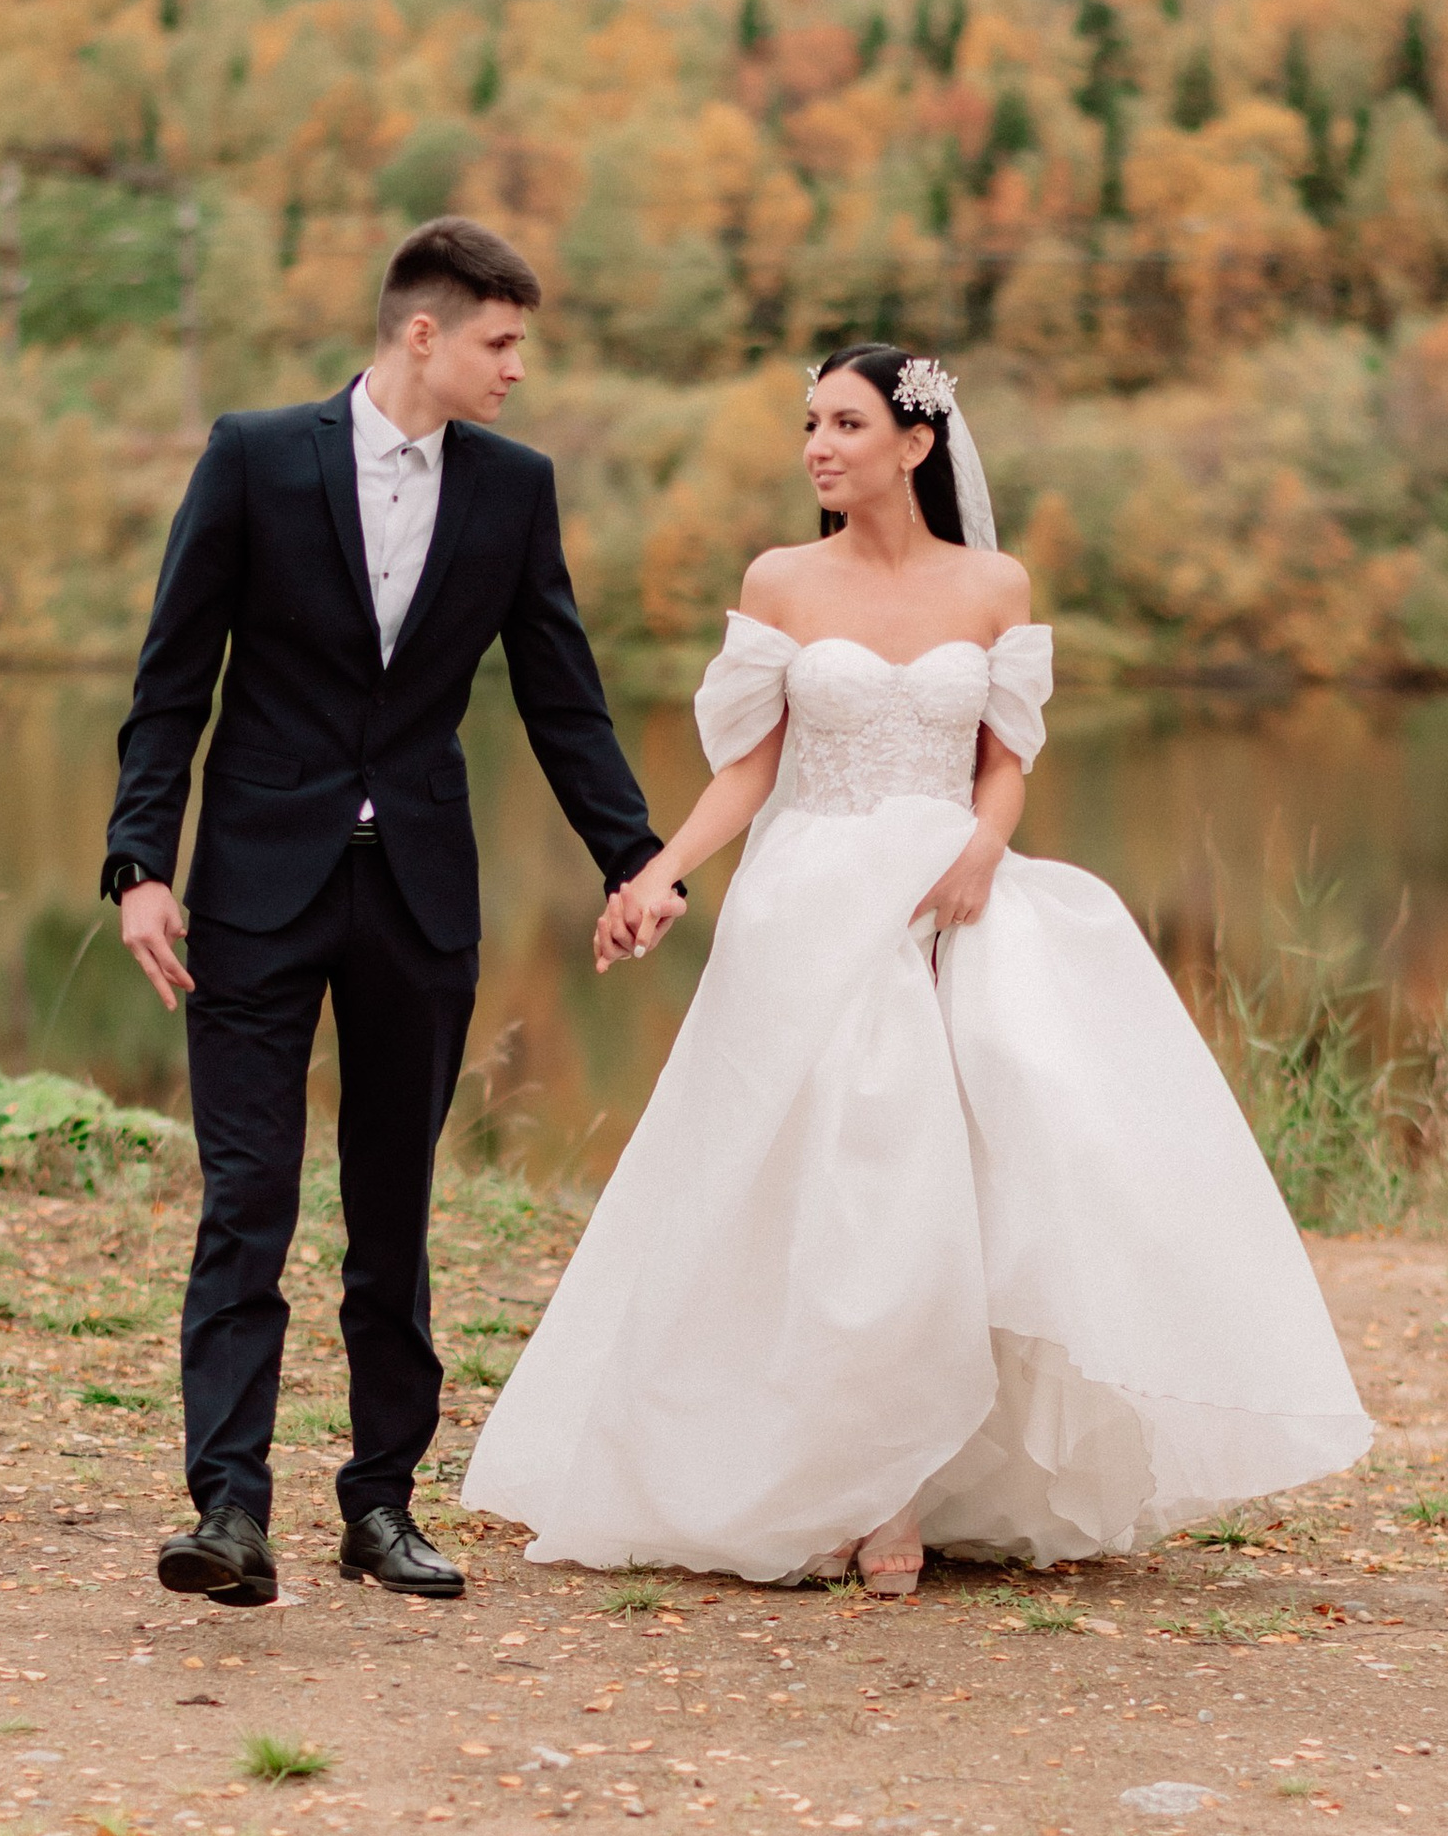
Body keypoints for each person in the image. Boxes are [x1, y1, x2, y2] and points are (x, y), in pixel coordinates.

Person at [463, 344, 1370, 1593]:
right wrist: (658, 872)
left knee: (955, 1186)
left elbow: (1005, 755)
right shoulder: (780, 580)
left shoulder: (993, 584)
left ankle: (908, 1486)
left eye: (844, 423)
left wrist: (983, 853)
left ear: (916, 443)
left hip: (949, 894)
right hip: (810, 905)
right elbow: (751, 765)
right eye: (808, 425)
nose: (817, 447)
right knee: (833, 1186)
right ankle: (827, 1467)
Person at [102, 215, 681, 1608]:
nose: (517, 369)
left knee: (394, 1208)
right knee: (248, 1201)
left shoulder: (512, 489)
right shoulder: (252, 456)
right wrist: (140, 864)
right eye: (500, 341)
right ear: (423, 332)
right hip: (253, 886)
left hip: (418, 895)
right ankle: (230, 1510)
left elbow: (562, 691)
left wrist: (634, 857)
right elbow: (172, 675)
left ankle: (381, 1505)